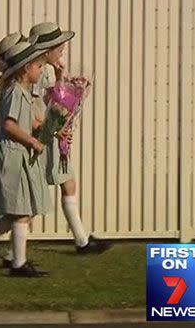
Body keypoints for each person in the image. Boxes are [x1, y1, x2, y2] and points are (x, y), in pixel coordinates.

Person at [29, 22, 111, 255]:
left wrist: (67, 82)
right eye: (59, 46)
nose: (63, 49)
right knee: (27, 197)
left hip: (53, 137)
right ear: (47, 49)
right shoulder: (38, 70)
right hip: (42, 137)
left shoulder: (49, 69)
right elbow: (39, 105)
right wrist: (53, 127)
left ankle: (82, 240)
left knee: (68, 182)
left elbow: (57, 97)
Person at [0, 37, 52, 277]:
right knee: (19, 211)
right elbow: (9, 125)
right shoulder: (13, 92)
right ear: (25, 68)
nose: (41, 70)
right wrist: (31, 141)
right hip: (11, 156)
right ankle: (0, 252)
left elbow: (25, 121)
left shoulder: (20, 93)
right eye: (38, 66)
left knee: (21, 211)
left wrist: (47, 127)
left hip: (17, 154)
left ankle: (10, 257)